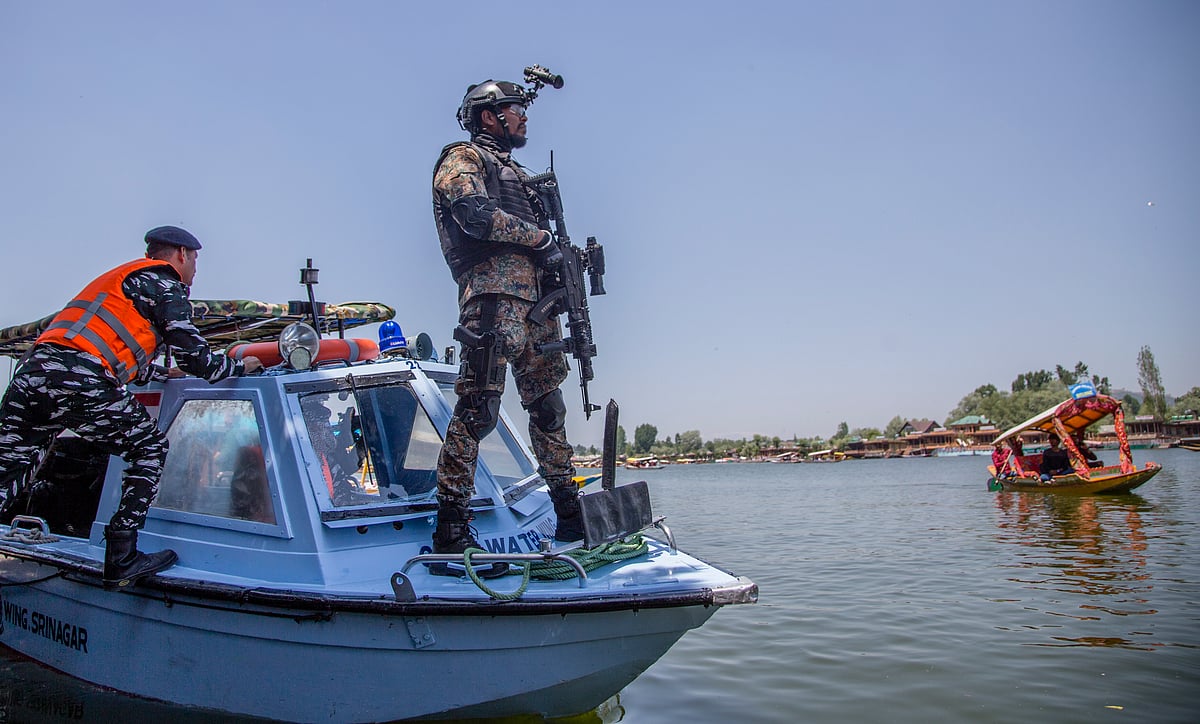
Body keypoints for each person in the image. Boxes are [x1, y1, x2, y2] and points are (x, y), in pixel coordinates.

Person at [0, 226, 262, 588]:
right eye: (196, 259)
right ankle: (122, 556)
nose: (196, 270)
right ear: (181, 254)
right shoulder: (165, 282)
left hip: (33, 374)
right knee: (149, 447)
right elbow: (199, 360)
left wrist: (159, 371)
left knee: (11, 471)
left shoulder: (119, 282)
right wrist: (240, 366)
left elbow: (105, 347)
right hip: (77, 377)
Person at [429, 77, 581, 575]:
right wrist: (538, 239)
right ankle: (451, 526)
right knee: (477, 410)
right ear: (490, 115)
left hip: (537, 307)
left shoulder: (520, 176)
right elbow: (473, 214)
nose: (524, 117)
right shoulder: (463, 158)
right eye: (516, 109)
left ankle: (569, 513)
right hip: (493, 300)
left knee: (549, 407)